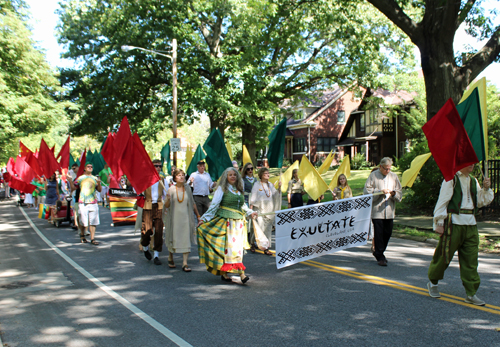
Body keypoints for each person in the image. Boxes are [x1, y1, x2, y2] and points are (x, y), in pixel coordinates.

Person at [427, 164, 493, 305]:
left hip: (470, 224)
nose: (472, 165)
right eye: (469, 162)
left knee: (471, 260)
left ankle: (471, 293)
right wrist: (439, 222)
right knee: (444, 255)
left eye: (473, 162)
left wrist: (486, 189)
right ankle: (433, 282)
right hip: (454, 223)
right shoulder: (451, 179)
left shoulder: (473, 180)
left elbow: (480, 201)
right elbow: (442, 201)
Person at [197, 167, 258, 284]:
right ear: (226, 177)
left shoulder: (239, 189)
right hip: (227, 222)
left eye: (234, 175)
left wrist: (251, 212)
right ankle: (241, 274)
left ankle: (228, 273)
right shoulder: (222, 189)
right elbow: (214, 205)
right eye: (230, 175)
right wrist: (204, 219)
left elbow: (243, 206)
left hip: (239, 223)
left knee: (237, 248)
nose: (233, 177)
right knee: (230, 249)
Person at [363, 157, 402, 266]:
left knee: (387, 233)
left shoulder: (394, 177)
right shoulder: (373, 176)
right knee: (379, 234)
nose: (387, 171)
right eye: (385, 169)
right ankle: (380, 255)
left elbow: (399, 192)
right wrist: (380, 191)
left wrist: (393, 194)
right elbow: (367, 191)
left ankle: (379, 252)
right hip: (377, 211)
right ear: (380, 166)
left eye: (389, 169)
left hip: (389, 211)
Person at [164, 169, 200, 272]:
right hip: (174, 219)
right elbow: (166, 206)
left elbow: (192, 203)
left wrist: (198, 215)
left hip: (186, 218)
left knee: (185, 239)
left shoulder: (188, 189)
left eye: (183, 175)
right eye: (179, 175)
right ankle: (170, 257)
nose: (181, 177)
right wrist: (167, 199)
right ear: (175, 178)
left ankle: (185, 263)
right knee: (173, 237)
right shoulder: (171, 189)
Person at [139, 159, 167, 265]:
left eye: (160, 166)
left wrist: (168, 202)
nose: (158, 168)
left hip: (159, 206)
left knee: (159, 231)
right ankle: (145, 247)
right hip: (148, 206)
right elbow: (136, 188)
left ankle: (156, 255)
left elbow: (166, 193)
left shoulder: (162, 180)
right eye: (156, 166)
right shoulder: (145, 179)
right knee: (147, 231)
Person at [250, 167, 282, 255]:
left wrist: (279, 188)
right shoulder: (257, 185)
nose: (268, 175)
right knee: (260, 228)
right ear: (261, 175)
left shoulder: (270, 185)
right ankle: (252, 243)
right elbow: (253, 196)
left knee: (267, 229)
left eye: (268, 173)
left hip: (269, 210)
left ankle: (266, 248)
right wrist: (251, 208)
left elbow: (276, 195)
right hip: (259, 209)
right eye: (265, 173)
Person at [68, 162, 102, 245]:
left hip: (93, 202)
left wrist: (99, 183)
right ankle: (82, 236)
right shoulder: (80, 178)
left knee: (93, 222)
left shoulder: (95, 178)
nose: (90, 168)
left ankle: (92, 238)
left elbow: (99, 190)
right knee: (83, 221)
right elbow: (73, 188)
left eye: (91, 167)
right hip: (82, 202)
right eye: (88, 166)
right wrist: (70, 181)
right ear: (85, 168)